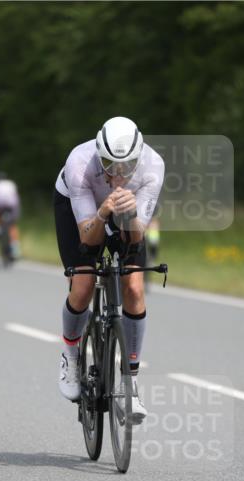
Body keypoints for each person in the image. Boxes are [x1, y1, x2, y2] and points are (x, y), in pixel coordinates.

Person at [54, 116, 164, 422]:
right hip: (81, 208)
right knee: (84, 283)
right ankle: (71, 357)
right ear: (97, 153)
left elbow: (135, 240)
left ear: (138, 157)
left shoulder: (153, 166)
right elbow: (88, 239)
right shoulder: (79, 163)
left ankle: (131, 385)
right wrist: (103, 212)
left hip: (127, 212)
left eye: (126, 165)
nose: (117, 172)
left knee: (134, 287)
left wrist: (129, 215)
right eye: (108, 162)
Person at [0, 171, 21, 259]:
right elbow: (16, 198)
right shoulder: (11, 184)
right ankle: (16, 249)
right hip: (12, 207)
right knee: (13, 226)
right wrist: (16, 215)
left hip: (0, 207)